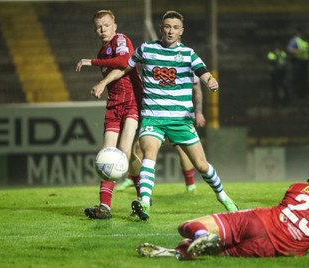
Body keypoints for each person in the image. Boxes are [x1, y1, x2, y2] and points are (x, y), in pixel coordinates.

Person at [92, 10, 239, 221]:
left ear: (181, 31)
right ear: (161, 28)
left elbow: (202, 72)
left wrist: (210, 81)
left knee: (202, 166)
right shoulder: (146, 49)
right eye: (167, 27)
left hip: (180, 120)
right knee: (148, 154)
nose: (171, 31)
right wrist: (104, 82)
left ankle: (224, 197)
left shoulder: (188, 53)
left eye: (175, 28)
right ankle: (144, 203)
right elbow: (125, 67)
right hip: (153, 118)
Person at [136, 158, 309, 259]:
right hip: (272, 249)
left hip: (256, 221)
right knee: (216, 253)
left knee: (187, 227)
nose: (307, 178)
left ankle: (194, 239)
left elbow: (290, 213)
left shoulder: (298, 188)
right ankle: (179, 253)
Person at [75, 9, 143, 219]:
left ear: (115, 25)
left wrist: (99, 77)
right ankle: (105, 207)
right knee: (109, 153)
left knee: (123, 152)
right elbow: (118, 68)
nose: (102, 29)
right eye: (98, 26)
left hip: (132, 102)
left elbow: (124, 62)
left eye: (106, 24)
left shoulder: (121, 40)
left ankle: (143, 201)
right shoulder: (102, 52)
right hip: (114, 105)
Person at [116, 77, 206, 193]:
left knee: (181, 148)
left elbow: (197, 89)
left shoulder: (186, 60)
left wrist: (198, 113)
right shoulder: (154, 62)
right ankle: (132, 179)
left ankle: (190, 185)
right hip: (156, 115)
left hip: (177, 115)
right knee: (139, 147)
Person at [287, 27, 309, 99]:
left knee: (304, 79)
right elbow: (290, 49)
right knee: (297, 78)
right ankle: (296, 94)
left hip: (304, 63)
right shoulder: (295, 40)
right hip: (297, 62)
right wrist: (298, 51)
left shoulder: (305, 40)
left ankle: (302, 94)